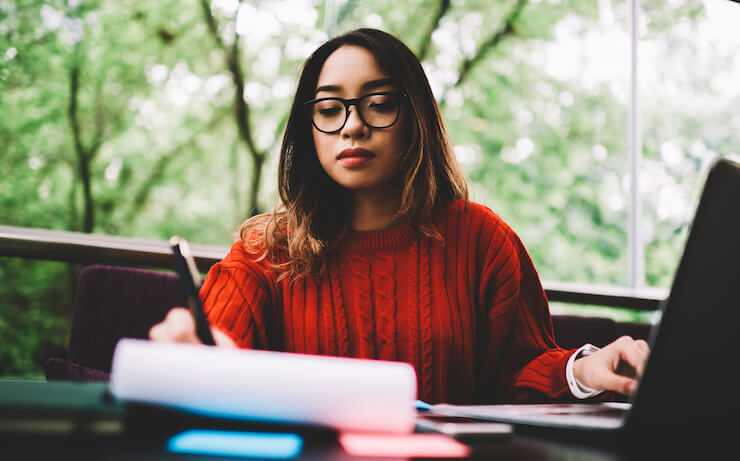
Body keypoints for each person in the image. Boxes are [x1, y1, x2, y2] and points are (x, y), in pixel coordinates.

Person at [150, 28, 649, 404]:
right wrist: (198, 351)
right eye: (329, 109)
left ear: (416, 118)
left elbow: (522, 372)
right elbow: (218, 345)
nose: (353, 126)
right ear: (310, 130)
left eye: (380, 103)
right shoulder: (266, 249)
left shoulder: (481, 239)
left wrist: (585, 368)